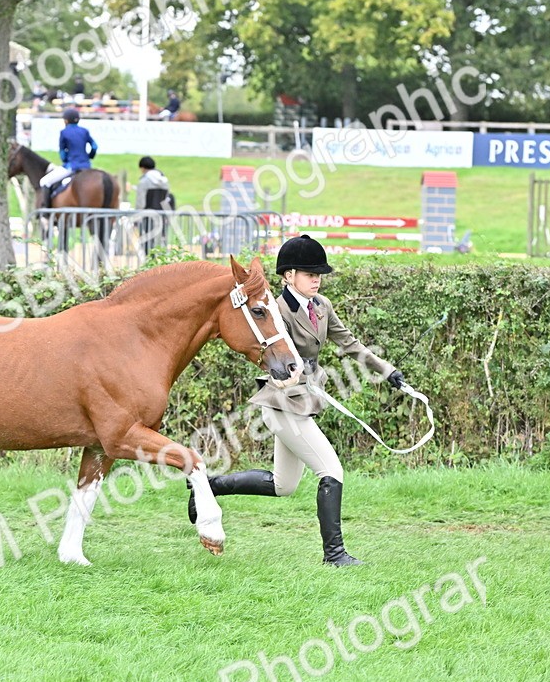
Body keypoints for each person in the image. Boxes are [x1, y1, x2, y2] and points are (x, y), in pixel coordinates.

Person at [186, 235, 410, 567]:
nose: (316, 280)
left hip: (304, 401)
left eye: (319, 274)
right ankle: (334, 555)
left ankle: (210, 485)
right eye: (309, 274)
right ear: (289, 276)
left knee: (283, 485)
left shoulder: (322, 306)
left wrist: (387, 371)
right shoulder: (277, 310)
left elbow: (349, 343)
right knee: (331, 470)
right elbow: (272, 354)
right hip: (282, 402)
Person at [38, 107, 99, 207]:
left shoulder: (64, 132)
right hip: (86, 166)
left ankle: (46, 210)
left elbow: (62, 153)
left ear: (66, 121)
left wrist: (65, 160)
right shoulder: (84, 131)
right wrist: (89, 156)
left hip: (71, 166)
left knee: (44, 182)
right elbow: (94, 146)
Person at [132, 155, 172, 255]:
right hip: (161, 215)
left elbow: (140, 202)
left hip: (147, 215)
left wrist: (137, 216)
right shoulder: (164, 181)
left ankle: (149, 260)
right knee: (161, 240)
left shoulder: (144, 181)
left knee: (147, 241)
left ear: (142, 167)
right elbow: (166, 198)